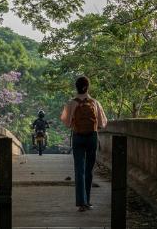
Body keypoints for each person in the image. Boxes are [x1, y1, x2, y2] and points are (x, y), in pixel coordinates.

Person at [60, 75, 107, 212]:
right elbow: (103, 123)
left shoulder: (71, 103)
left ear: (76, 87)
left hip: (78, 137)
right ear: (88, 87)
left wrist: (76, 122)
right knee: (89, 170)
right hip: (92, 137)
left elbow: (67, 123)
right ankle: (88, 202)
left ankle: (81, 202)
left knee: (79, 170)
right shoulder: (95, 103)